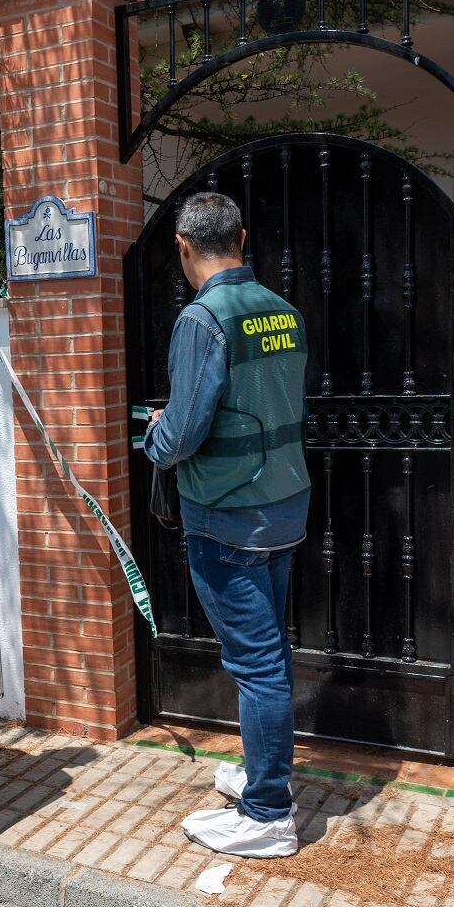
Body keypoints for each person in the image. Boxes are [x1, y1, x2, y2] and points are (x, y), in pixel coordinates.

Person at [143, 191, 311, 859]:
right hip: (284, 509)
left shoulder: (202, 320)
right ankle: (262, 773)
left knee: (256, 664)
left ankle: (268, 811)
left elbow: (184, 432)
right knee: (268, 655)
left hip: (226, 518)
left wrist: (155, 440)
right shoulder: (285, 312)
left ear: (183, 246)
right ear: (242, 237)